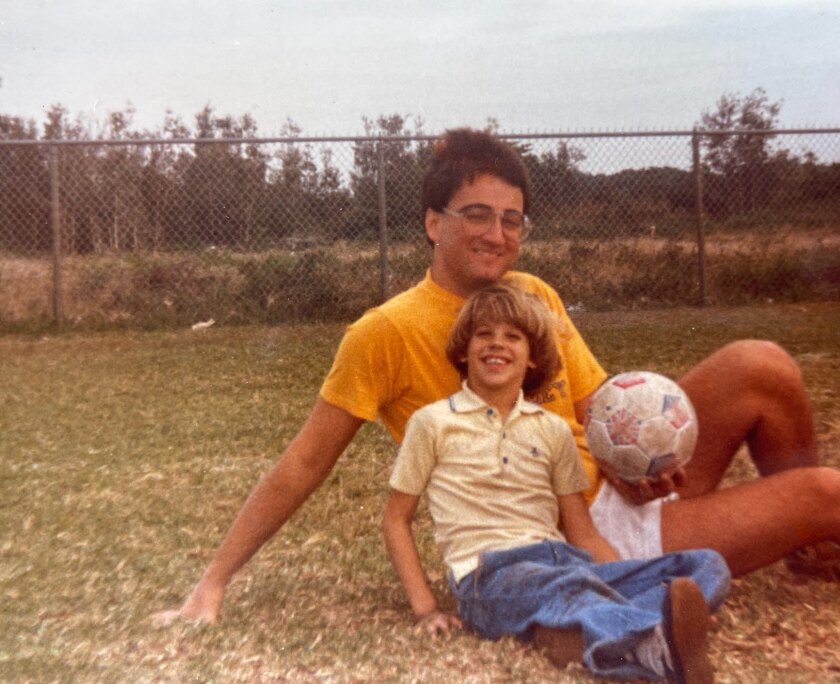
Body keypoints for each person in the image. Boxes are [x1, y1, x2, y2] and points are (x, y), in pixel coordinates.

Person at [157, 127, 840, 627]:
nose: (496, 234)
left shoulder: (533, 296)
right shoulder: (384, 332)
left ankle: (811, 555)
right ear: (432, 223)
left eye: (511, 220)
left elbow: (597, 405)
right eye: (476, 215)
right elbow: (302, 464)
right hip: (567, 537)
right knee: (823, 493)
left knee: (763, 363)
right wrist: (213, 582)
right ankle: (804, 523)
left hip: (619, 487)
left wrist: (638, 458)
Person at [382, 281, 730, 682]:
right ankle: (653, 642)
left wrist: (626, 578)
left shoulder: (553, 431)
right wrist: (426, 609)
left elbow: (582, 532)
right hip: (490, 575)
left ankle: (648, 621)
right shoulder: (433, 423)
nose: (497, 345)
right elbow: (395, 519)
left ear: (533, 358)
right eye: (484, 335)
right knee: (566, 589)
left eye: (513, 337)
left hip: (563, 559)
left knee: (704, 564)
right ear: (463, 349)